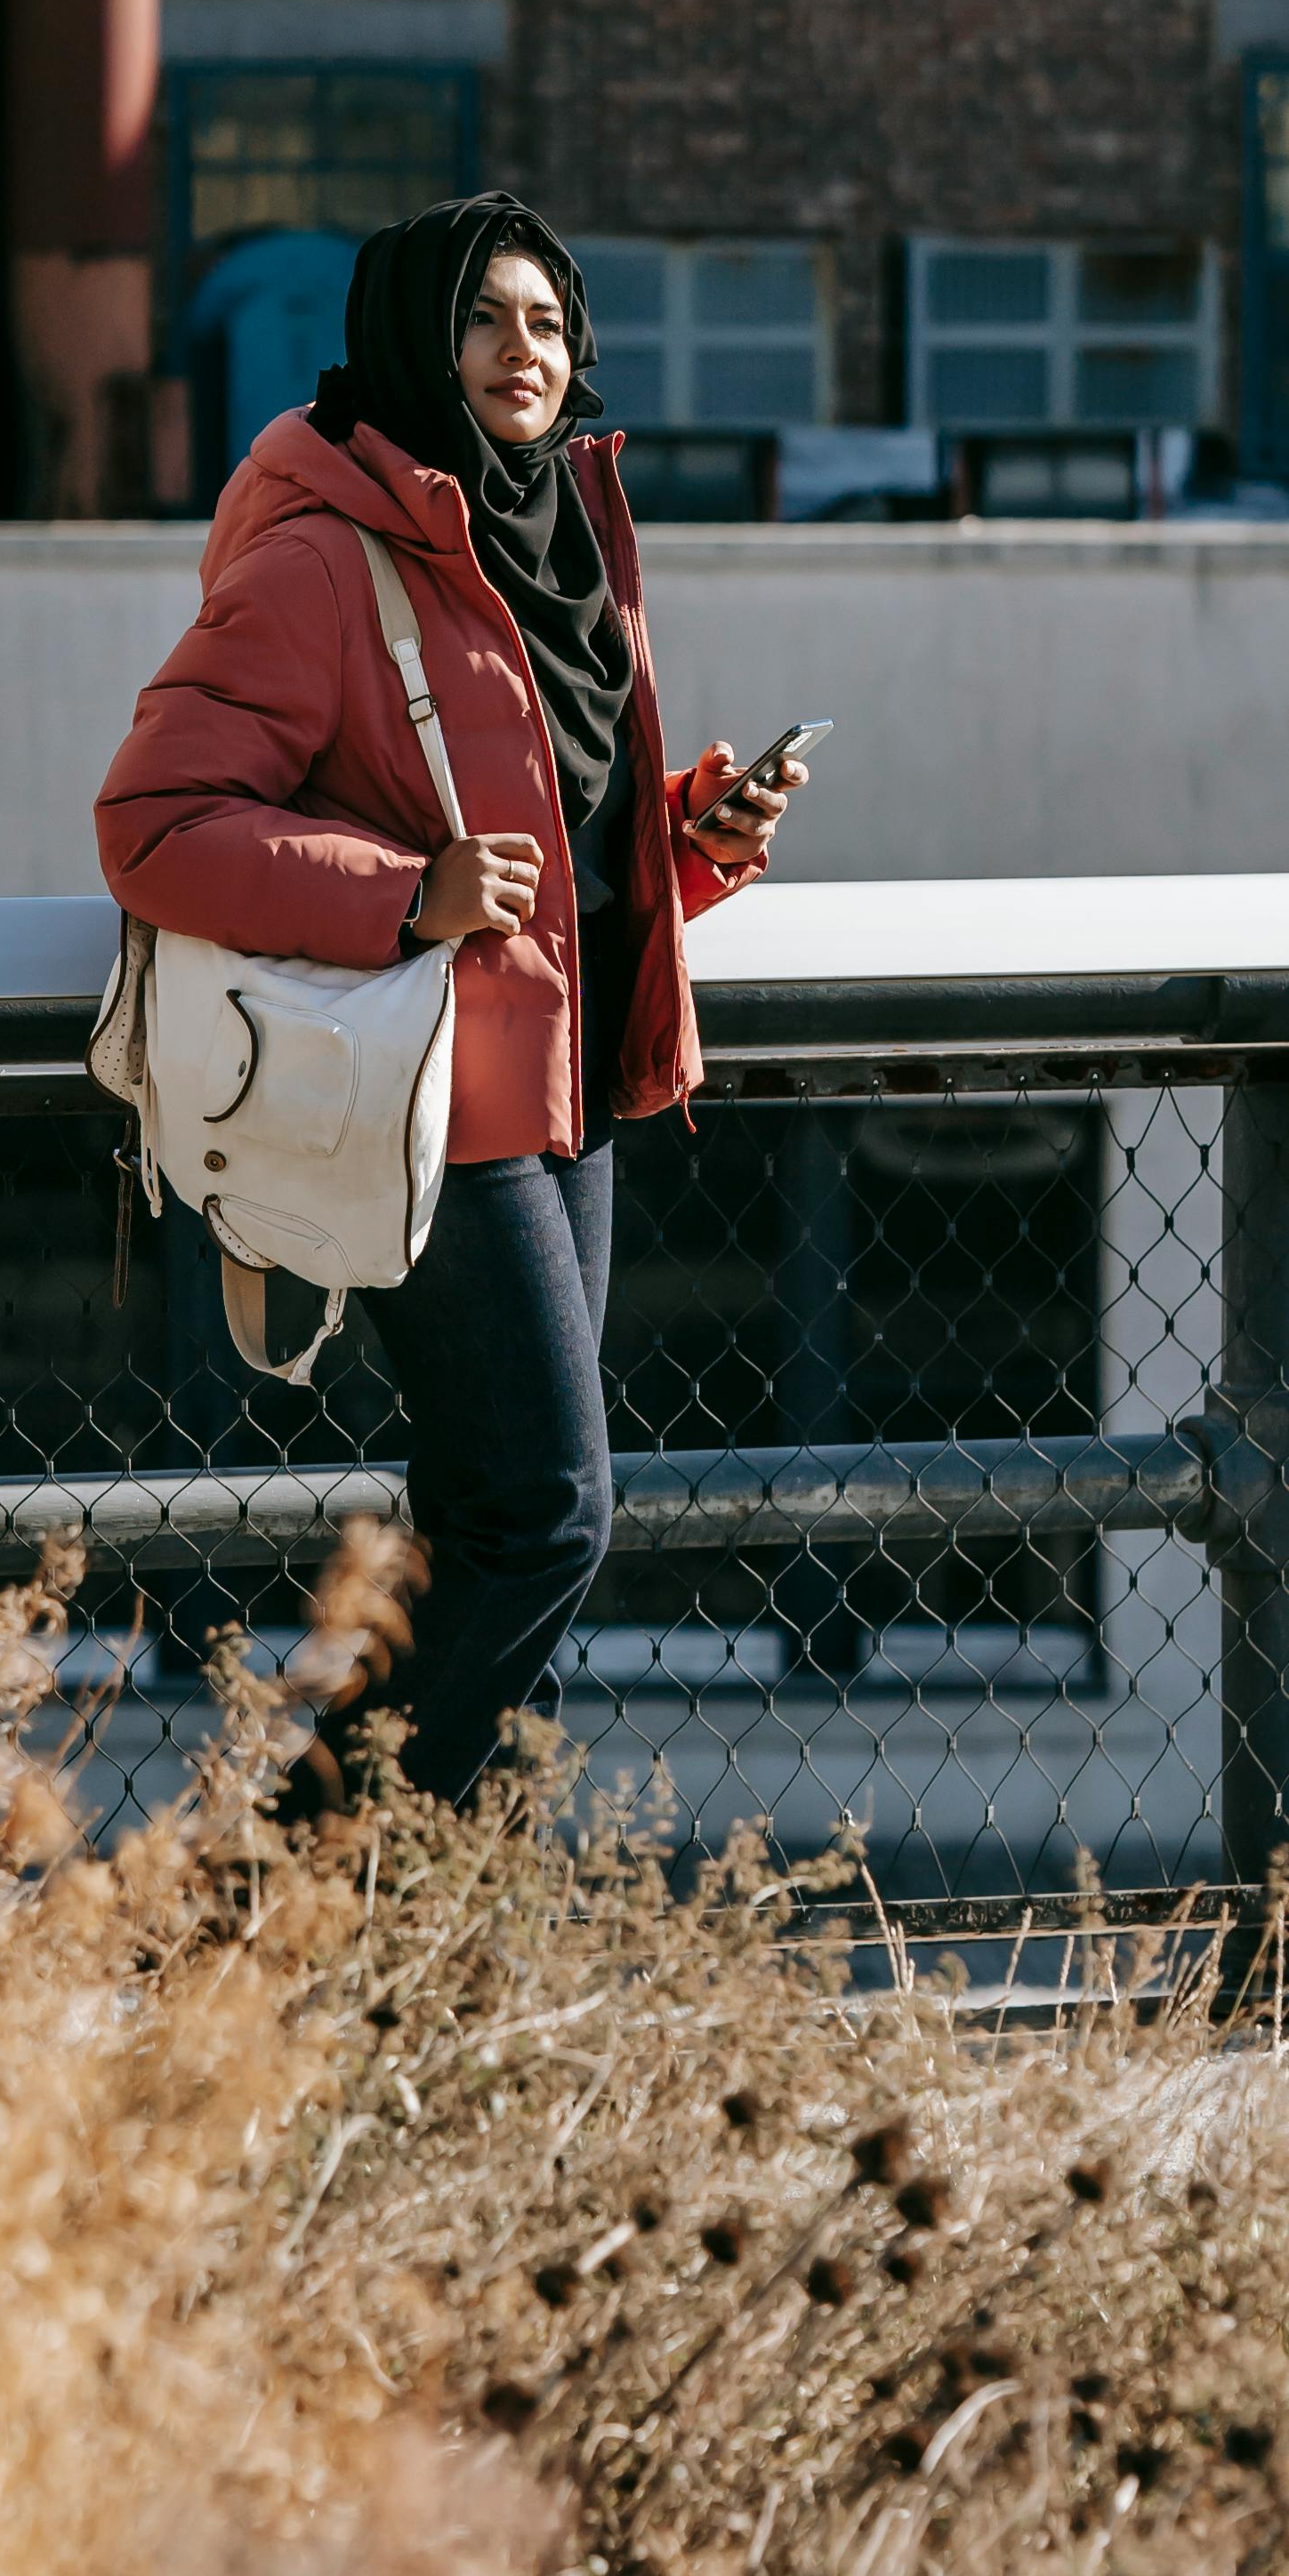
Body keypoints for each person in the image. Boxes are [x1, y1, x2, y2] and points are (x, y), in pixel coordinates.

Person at [93, 193, 803, 1810]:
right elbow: (151, 825)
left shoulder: (558, 536)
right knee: (545, 1517)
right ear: (415, 335)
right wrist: (397, 891)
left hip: (571, 1098)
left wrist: (687, 831)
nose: (522, 351)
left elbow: (553, 846)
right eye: (485, 318)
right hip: (430, 1101)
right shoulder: (322, 557)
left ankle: (431, 1935)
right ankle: (282, 1881)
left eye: (549, 322)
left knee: (492, 1535)